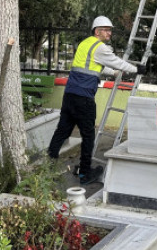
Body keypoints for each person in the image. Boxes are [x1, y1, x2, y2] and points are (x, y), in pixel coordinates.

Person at [47, 16, 147, 185]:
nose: (110, 33)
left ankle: (48, 169)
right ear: (97, 31)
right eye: (107, 30)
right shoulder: (101, 48)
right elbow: (117, 62)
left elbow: (91, 65)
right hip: (84, 97)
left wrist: (112, 73)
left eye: (110, 30)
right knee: (88, 136)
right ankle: (85, 174)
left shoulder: (85, 44)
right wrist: (137, 69)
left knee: (62, 131)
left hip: (70, 94)